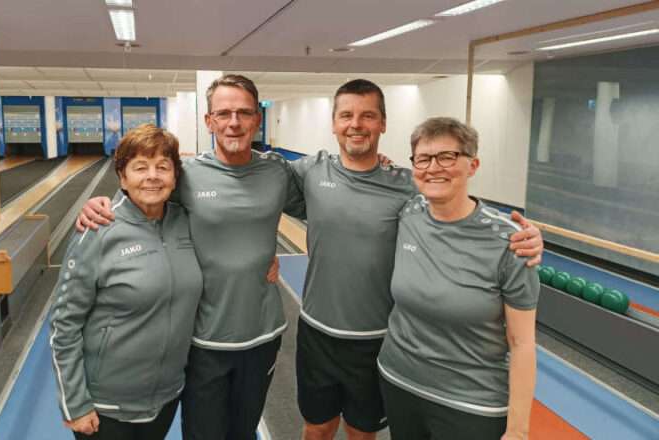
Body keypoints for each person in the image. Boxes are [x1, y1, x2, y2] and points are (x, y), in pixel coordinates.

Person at [288, 80, 543, 440]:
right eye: (346, 115)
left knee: (362, 432)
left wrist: (528, 237)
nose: (356, 124)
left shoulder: (408, 189)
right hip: (324, 334)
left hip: (377, 339)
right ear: (333, 123)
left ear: (383, 124)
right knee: (317, 427)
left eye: (368, 116)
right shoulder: (313, 172)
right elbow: (257, 196)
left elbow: (460, 207)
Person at [78, 74, 304, 440]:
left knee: (242, 432)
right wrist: (98, 204)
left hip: (262, 333)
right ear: (209, 121)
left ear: (257, 120)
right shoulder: (188, 176)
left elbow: (321, 206)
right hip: (201, 339)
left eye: (244, 113)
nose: (234, 122)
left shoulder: (276, 171)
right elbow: (143, 200)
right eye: (225, 113)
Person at [377, 117, 539, 440]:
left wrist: (518, 430)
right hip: (400, 382)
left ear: (473, 165)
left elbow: (522, 344)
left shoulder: (511, 242)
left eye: (447, 157)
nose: (434, 167)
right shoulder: (408, 212)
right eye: (423, 158)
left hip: (471, 403)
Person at [49, 124, 203, 439]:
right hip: (107, 405)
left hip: (166, 397)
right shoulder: (98, 229)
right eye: (140, 167)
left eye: (163, 167)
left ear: (175, 177)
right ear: (122, 177)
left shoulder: (186, 224)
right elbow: (64, 325)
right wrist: (74, 404)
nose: (152, 176)